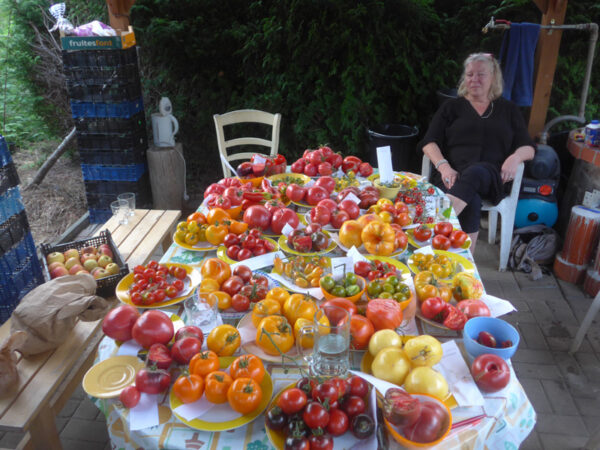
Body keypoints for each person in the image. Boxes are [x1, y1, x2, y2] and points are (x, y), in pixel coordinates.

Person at [418, 52, 535, 252]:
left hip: (492, 177)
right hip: (451, 176)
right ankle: (466, 263)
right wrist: (443, 166)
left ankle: (436, 228)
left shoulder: (509, 110)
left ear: (493, 77)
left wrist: (516, 157)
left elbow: (529, 147)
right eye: (470, 74)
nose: (474, 79)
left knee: (476, 172)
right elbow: (429, 142)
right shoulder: (451, 107)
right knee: (471, 199)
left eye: (481, 74)